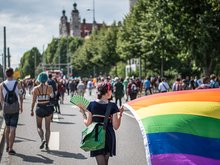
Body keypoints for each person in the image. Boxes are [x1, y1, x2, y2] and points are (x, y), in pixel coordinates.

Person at [81, 82, 124, 165]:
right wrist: (120, 114)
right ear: (107, 92)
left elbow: (88, 124)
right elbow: (116, 126)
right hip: (108, 135)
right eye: (111, 90)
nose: (112, 92)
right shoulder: (113, 106)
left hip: (96, 135)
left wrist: (83, 114)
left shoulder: (92, 105)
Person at [0, 68, 23, 155]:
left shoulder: (1, 85)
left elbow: (1, 98)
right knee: (13, 129)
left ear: (6, 74)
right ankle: (11, 148)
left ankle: (7, 145)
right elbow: (21, 95)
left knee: (7, 127)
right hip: (15, 108)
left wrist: (3, 107)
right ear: (13, 74)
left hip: (6, 108)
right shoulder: (18, 83)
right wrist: (21, 106)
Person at [30, 72, 54, 150]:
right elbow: (52, 96)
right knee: (48, 128)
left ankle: (42, 139)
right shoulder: (50, 87)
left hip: (39, 107)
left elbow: (33, 101)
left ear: (39, 79)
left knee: (39, 127)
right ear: (46, 79)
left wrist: (31, 110)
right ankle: (47, 145)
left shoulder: (35, 89)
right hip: (48, 107)